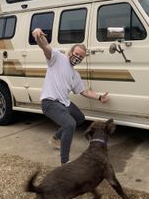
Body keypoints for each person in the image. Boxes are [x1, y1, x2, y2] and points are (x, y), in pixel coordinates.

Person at [32, 28, 109, 165]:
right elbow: (45, 46)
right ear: (70, 51)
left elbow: (84, 91)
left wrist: (99, 97)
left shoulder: (75, 75)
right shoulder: (57, 58)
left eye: (81, 57)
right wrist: (37, 34)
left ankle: (55, 137)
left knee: (79, 118)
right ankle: (64, 163)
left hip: (64, 103)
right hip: (50, 102)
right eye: (77, 54)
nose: (78, 58)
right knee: (70, 124)